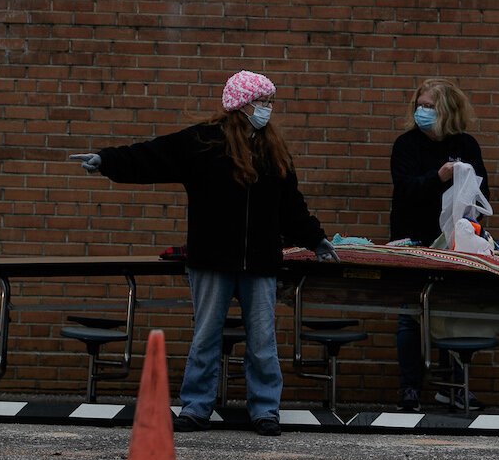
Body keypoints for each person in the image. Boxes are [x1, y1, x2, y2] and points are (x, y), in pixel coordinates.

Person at [74, 70, 338, 437]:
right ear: (241, 105)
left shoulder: (273, 151)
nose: (267, 109)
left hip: (260, 262)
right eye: (261, 102)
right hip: (212, 259)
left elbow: (290, 205)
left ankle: (265, 410)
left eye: (269, 102)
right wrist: (107, 161)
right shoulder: (201, 143)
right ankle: (196, 407)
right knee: (206, 337)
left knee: (263, 342)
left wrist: (315, 238)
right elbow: (152, 155)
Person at [389, 78, 490, 412]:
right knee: (409, 317)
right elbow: (406, 190)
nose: (422, 111)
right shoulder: (406, 145)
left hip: (452, 242)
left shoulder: (466, 145)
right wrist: (440, 178)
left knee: (452, 314)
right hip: (412, 238)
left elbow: (481, 194)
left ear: (446, 108)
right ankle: (410, 388)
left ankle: (454, 385)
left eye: (429, 106)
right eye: (419, 104)